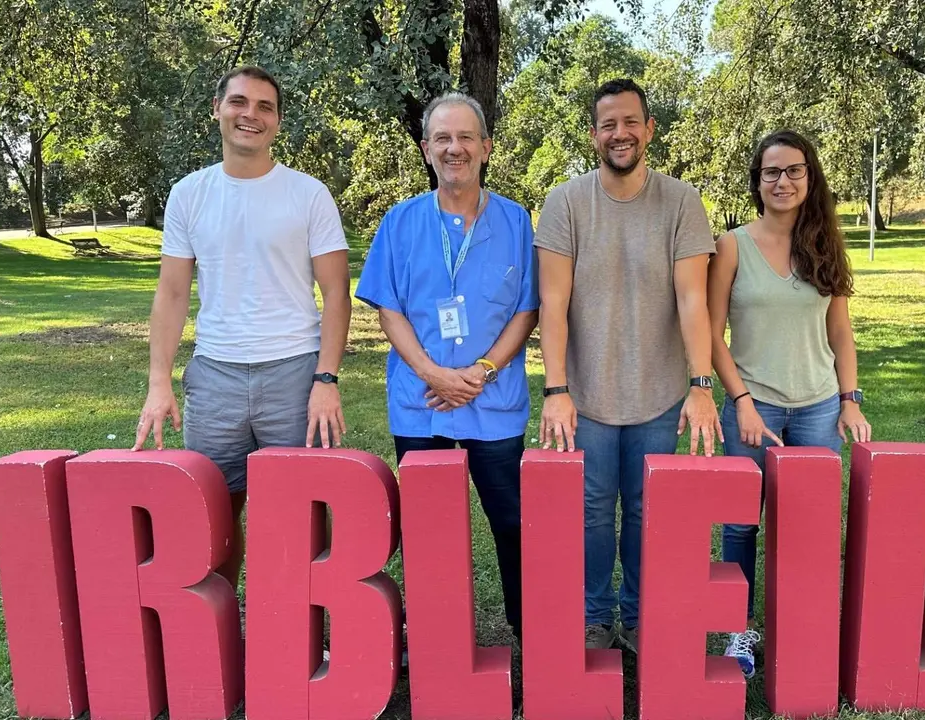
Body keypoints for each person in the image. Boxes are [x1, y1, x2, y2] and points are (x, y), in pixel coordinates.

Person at [132, 65, 352, 590]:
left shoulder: (308, 194)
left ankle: (302, 644)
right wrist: (159, 383)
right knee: (212, 521)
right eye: (239, 102)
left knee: (303, 521)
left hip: (294, 375)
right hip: (215, 378)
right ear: (217, 110)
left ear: (277, 123)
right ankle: (217, 640)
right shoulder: (189, 194)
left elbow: (337, 293)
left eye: (265, 107)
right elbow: (172, 293)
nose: (250, 114)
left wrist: (326, 380)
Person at [535, 78, 721, 653]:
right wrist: (556, 388)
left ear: (649, 129)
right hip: (586, 395)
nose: (620, 134)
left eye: (630, 122)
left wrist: (700, 383)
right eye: (608, 124)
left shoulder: (683, 202)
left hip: (662, 393)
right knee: (591, 513)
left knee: (648, 510)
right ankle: (595, 617)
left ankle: (642, 618)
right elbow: (554, 302)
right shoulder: (565, 202)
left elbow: (693, 299)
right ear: (594, 135)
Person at [356, 92, 539, 642]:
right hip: (422, 403)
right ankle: (437, 637)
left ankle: (529, 630)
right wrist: (432, 373)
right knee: (427, 526)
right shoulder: (400, 221)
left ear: (485, 147)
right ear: (426, 149)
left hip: (495, 402)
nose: (454, 148)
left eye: (465, 138)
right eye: (442, 139)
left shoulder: (516, 221)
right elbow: (389, 309)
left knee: (513, 522)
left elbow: (528, 308)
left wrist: (481, 370)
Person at [707, 129, 871, 677]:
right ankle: (738, 633)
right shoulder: (732, 245)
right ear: (757, 181)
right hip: (753, 406)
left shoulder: (826, 242)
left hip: (819, 406)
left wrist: (850, 400)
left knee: (807, 524)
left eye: (793, 170)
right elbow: (710, 334)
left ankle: (802, 629)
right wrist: (742, 400)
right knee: (740, 524)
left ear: (810, 176)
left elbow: (841, 332)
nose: (783, 181)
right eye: (771, 172)